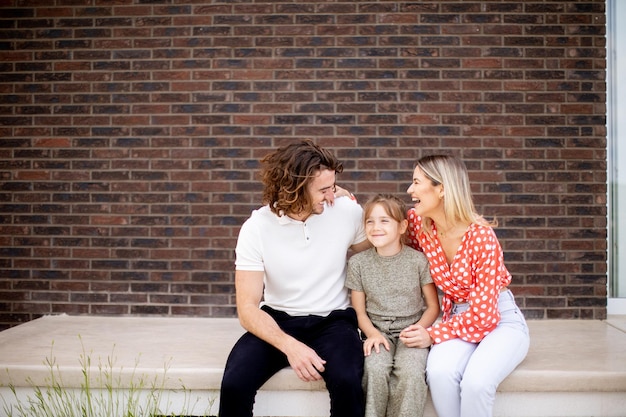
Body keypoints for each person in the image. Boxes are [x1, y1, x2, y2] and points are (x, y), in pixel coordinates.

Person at [218, 139, 371, 417]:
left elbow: (381, 253)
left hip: (334, 322)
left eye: (333, 186)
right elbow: (248, 308)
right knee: (234, 384)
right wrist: (291, 346)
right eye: (323, 189)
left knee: (348, 382)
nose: (331, 195)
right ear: (295, 189)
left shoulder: (346, 211)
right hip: (278, 320)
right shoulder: (256, 228)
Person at [403, 154, 530, 417]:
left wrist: (432, 335)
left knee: (476, 383)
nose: (410, 190)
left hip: (500, 319)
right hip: (457, 319)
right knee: (439, 373)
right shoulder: (419, 223)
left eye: (417, 182)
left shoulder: (481, 236)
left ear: (441, 189)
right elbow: (384, 223)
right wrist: (343, 197)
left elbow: (484, 317)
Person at [346, 194, 440, 417]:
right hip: (377, 332)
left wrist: (419, 329)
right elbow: (358, 311)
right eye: (370, 221)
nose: (376, 227)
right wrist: (372, 334)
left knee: (411, 372)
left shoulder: (418, 260)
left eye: (385, 220)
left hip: (412, 332)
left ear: (402, 226)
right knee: (374, 370)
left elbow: (433, 307)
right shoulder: (358, 263)